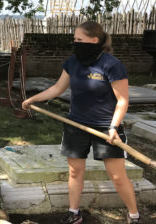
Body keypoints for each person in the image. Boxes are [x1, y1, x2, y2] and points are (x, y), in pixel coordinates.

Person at [22, 21, 140, 224]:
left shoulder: (111, 65)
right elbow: (58, 88)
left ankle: (134, 216)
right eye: (74, 39)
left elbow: (123, 100)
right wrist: (33, 99)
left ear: (94, 40)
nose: (75, 43)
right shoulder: (72, 62)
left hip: (106, 128)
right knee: (75, 171)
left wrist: (113, 127)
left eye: (79, 39)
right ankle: (74, 213)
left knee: (118, 176)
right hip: (76, 125)